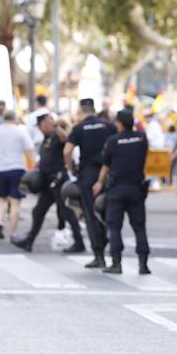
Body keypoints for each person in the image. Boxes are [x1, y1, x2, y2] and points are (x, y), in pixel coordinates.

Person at [11, 114, 85, 253]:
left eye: (40, 126)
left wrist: (56, 126)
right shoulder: (46, 138)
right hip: (47, 182)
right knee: (38, 211)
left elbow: (68, 139)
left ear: (44, 124)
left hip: (57, 181)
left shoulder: (57, 135)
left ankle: (79, 242)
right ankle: (29, 241)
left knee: (67, 212)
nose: (39, 129)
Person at [93, 109, 150, 275]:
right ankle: (143, 264)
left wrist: (99, 182)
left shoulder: (113, 141)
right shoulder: (142, 138)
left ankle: (116, 263)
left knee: (114, 227)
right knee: (139, 227)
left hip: (117, 189)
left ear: (119, 123)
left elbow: (106, 165)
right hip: (136, 188)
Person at [65, 99, 116, 269]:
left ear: (80, 111)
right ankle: (106, 239)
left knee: (90, 214)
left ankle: (98, 255)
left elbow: (67, 151)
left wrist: (71, 169)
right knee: (106, 209)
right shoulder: (108, 126)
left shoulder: (79, 128)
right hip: (107, 172)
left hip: (87, 174)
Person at [0, 110, 36, 239]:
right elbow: (30, 151)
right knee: (15, 202)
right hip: (17, 168)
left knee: (0, 199)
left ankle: (0, 221)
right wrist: (36, 165)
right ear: (15, 118)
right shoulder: (20, 131)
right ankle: (13, 232)